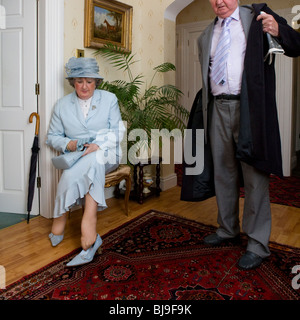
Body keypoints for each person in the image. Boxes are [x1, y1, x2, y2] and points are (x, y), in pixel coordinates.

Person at [195, 0, 300, 270]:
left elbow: (296, 45)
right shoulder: (206, 35)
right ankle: (227, 229)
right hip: (217, 108)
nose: (219, 1)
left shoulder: (257, 16)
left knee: (255, 177)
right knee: (223, 173)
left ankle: (257, 244)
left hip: (249, 108)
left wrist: (278, 29)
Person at [46, 57, 125, 267]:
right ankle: (90, 237)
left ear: (96, 82)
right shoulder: (62, 105)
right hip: (77, 155)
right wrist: (70, 144)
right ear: (72, 82)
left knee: (96, 158)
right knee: (90, 162)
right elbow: (52, 136)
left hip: (107, 153)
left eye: (89, 81)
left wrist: (98, 145)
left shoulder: (109, 99)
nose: (84, 86)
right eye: (80, 81)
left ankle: (72, 220)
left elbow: (118, 131)